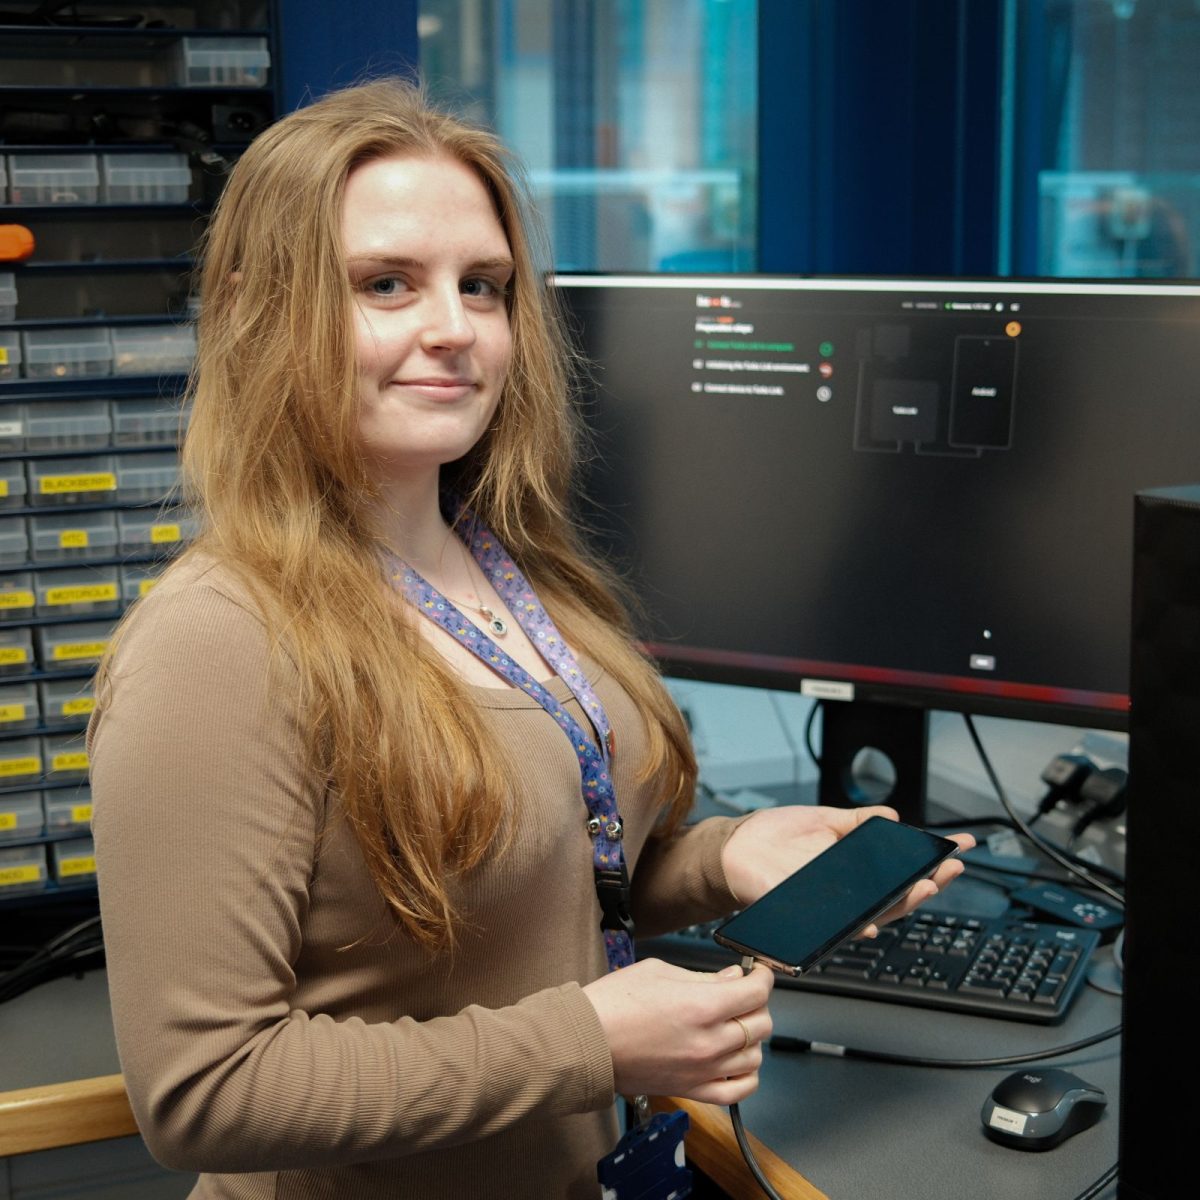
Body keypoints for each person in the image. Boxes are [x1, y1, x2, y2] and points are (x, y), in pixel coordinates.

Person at [89, 78, 972, 1200]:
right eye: (386, 285)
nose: (454, 329)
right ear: (266, 309)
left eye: (486, 287)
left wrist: (719, 862)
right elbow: (204, 1090)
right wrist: (592, 1041)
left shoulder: (513, 563)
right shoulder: (216, 642)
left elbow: (550, 877)